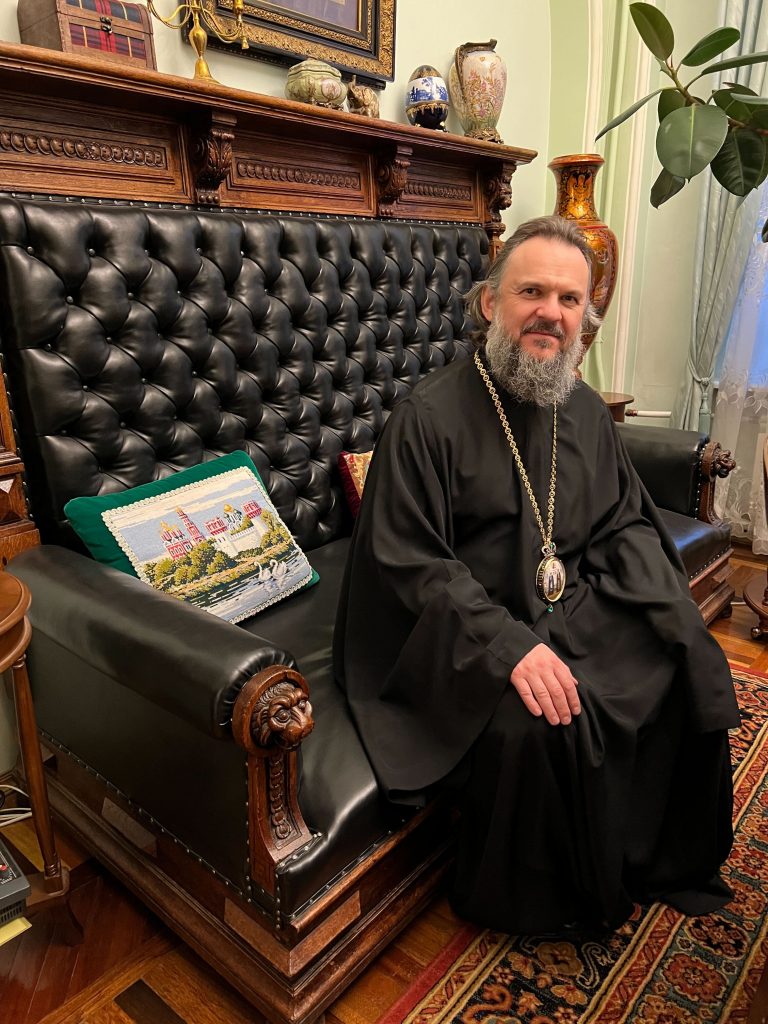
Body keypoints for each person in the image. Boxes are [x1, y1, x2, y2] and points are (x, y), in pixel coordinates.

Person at [333, 215, 739, 936]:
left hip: (567, 602)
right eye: (533, 292)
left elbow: (622, 521)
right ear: (491, 303)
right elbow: (409, 561)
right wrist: (507, 647)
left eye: (570, 299)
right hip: (466, 630)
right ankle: (550, 903)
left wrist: (668, 603)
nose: (551, 312)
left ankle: (651, 859)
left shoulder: (581, 408)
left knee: (681, 657)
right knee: (544, 720)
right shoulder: (426, 417)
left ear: (585, 318)